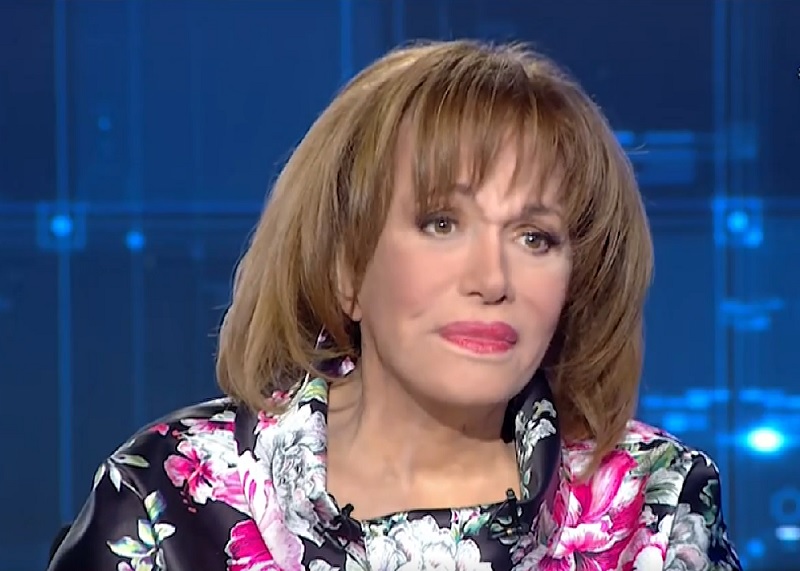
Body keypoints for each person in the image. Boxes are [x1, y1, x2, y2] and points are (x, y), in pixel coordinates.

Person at [48, 40, 741, 571]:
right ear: (347, 267)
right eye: (442, 223)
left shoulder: (654, 509)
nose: (492, 279)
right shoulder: (170, 494)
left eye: (535, 237)